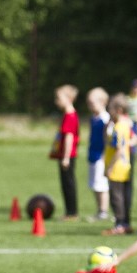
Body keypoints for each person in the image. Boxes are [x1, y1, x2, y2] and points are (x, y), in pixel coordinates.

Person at [102, 93, 136, 235]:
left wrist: (109, 167)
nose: (109, 111)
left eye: (110, 109)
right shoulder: (124, 125)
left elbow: (119, 149)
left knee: (116, 197)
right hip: (124, 165)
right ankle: (126, 223)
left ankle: (120, 224)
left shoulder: (119, 127)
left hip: (116, 167)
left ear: (119, 110)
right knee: (124, 196)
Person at [50, 84, 80, 220]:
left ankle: (72, 213)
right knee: (65, 183)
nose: (56, 101)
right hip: (64, 156)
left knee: (68, 184)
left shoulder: (70, 116)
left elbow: (69, 137)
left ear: (69, 98)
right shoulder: (67, 115)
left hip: (67, 156)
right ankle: (69, 212)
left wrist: (66, 157)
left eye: (59, 98)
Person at [85, 88, 111, 221]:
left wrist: (105, 155)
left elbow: (108, 140)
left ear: (102, 102)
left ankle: (103, 210)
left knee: (101, 184)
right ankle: (99, 209)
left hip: (101, 156)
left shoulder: (106, 119)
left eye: (92, 103)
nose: (89, 106)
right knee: (94, 184)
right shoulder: (93, 118)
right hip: (93, 154)